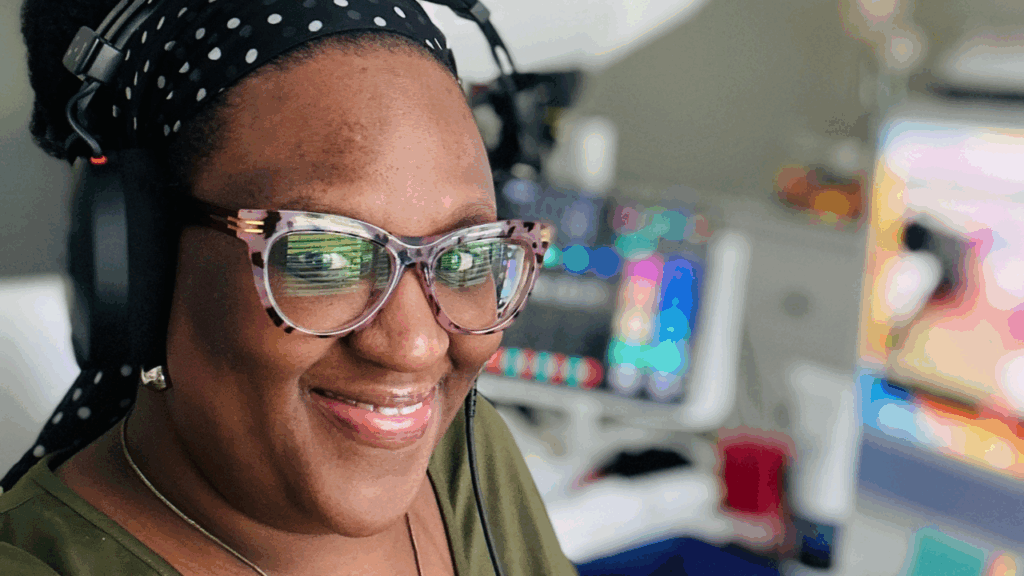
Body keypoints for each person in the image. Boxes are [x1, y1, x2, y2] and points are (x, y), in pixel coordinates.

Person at [0, 0, 577, 574]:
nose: (415, 347)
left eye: (466, 256)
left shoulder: (465, 459)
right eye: (323, 256)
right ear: (138, 266)